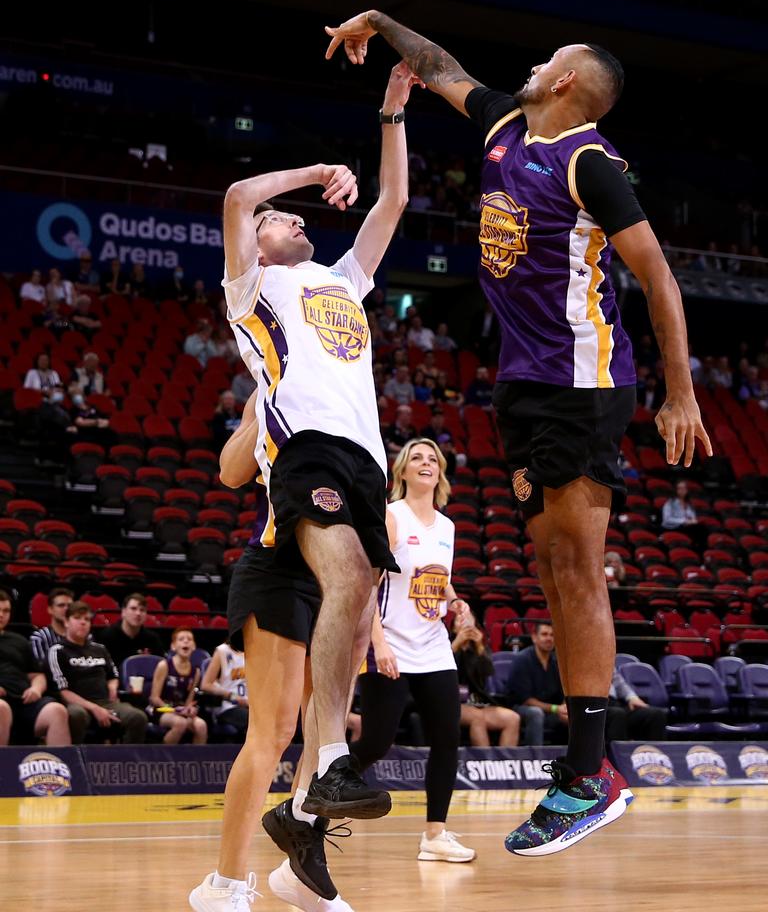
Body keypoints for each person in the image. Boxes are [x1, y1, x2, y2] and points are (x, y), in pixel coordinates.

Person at [325, 9, 711, 855]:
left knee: (575, 568)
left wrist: (680, 393)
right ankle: (585, 769)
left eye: (551, 58)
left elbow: (657, 275)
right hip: (524, 386)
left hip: (584, 385)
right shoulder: (505, 122)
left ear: (568, 82)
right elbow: (440, 62)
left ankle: (588, 773)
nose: (535, 63)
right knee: (550, 568)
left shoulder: (590, 162)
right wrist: (382, 22)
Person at [219, 61, 419, 821]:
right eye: (284, 220)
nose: (298, 219)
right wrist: (315, 170)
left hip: (366, 458)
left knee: (362, 588)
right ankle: (331, 757)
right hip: (308, 449)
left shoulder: (341, 280)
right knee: (349, 574)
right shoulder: (253, 291)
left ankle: (305, 810)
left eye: (300, 215)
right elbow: (241, 198)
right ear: (259, 246)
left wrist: (392, 111)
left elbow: (395, 199)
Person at [190, 391, 360, 912]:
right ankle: (224, 883)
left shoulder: (352, 399)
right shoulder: (276, 391)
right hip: (277, 570)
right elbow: (230, 471)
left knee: (325, 729)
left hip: (337, 582)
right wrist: (265, 399)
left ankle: (300, 873)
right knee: (274, 731)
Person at [350, 439, 476, 863]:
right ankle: (314, 798)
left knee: (447, 739)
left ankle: (434, 835)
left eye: (433, 459)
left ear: (440, 472)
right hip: (389, 645)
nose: (426, 464)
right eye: (417, 458)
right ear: (402, 471)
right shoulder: (392, 517)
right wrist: (378, 643)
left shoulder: (447, 527)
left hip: (434, 646)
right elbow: (368, 584)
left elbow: (436, 577)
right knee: (376, 742)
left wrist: (457, 601)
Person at [47, 601, 148, 744]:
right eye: (77, 618)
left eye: (87, 619)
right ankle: (74, 761)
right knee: (76, 715)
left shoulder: (99, 649)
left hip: (106, 702)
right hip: (76, 704)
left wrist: (112, 687)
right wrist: (94, 708)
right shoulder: (58, 651)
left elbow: (113, 675)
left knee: (137, 717)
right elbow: (63, 691)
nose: (83, 623)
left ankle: (126, 762)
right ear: (66, 622)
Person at [0, 589, 71, 746]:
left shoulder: (19, 641)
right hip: (2, 703)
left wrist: (36, 689)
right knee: (1, 708)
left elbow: (37, 675)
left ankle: (59, 768)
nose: (1, 615)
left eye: (6, 610)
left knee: (57, 711)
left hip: (24, 702)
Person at [451, 613, 521, 747]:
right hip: (452, 703)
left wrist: (480, 647)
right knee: (477, 718)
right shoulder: (444, 646)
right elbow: (442, 671)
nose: (465, 624)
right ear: (454, 628)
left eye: (469, 620)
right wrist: (456, 644)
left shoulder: (479, 648)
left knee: (513, 718)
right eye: (461, 620)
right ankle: (486, 763)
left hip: (477, 702)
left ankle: (503, 765)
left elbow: (488, 673)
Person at [509, 623, 568, 745]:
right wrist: (556, 708)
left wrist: (564, 708)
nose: (549, 638)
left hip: (551, 710)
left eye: (552, 635)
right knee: (535, 713)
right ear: (534, 637)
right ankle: (535, 757)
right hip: (520, 708)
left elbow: (565, 691)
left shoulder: (558, 661)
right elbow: (525, 699)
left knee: (576, 715)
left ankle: (573, 759)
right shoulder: (523, 660)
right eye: (544, 634)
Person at [148, 628, 208, 745]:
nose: (185, 642)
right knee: (180, 723)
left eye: (189, 639)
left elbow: (189, 701)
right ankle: (164, 760)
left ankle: (197, 761)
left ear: (194, 646)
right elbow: (154, 698)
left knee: (201, 725)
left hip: (181, 711)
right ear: (173, 646)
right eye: (181, 639)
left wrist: (189, 709)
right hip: (161, 710)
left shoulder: (196, 672)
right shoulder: (164, 665)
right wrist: (172, 710)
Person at [98, 593, 164, 669]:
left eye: (142, 610)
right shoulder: (107, 636)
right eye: (133, 608)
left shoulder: (153, 639)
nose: (138, 613)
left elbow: (161, 667)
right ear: (123, 612)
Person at [605, 667, 667, 742]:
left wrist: (632, 697)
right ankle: (617, 753)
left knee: (656, 715)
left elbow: (619, 683)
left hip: (614, 702)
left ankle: (653, 753)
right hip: (594, 703)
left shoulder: (605, 658)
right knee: (617, 714)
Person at [201, 641, 249, 736]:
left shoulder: (257, 651)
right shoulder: (222, 651)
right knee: (256, 720)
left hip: (252, 706)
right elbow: (206, 684)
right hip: (228, 705)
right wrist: (233, 697)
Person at [30, 587, 74, 663]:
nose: (66, 609)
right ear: (50, 609)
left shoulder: (83, 636)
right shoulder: (39, 638)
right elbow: (41, 669)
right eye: (61, 605)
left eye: (69, 605)